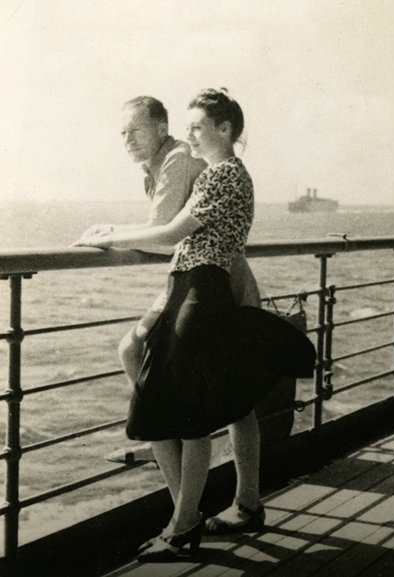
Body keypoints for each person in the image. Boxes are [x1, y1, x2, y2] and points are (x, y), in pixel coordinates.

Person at [73, 88, 316, 562]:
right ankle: (216, 511)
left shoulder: (219, 174)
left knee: (192, 413)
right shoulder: (224, 173)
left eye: (197, 128)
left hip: (203, 293)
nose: (189, 137)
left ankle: (186, 524)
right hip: (198, 287)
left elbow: (170, 234)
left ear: (224, 131)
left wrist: (105, 234)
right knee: (209, 406)